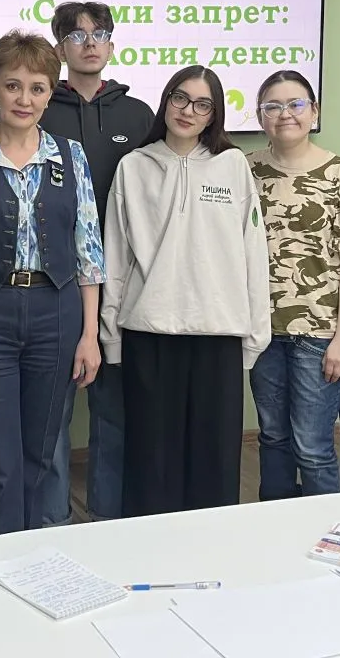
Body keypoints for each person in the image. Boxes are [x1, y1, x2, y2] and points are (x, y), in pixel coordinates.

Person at [0, 30, 105, 540]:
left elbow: (89, 253)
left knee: (42, 450)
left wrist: (89, 335)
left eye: (37, 88)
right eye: (13, 85)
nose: (24, 99)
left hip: (58, 314)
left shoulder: (71, 157)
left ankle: (36, 561)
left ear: (50, 93)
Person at [100, 65, 271, 515]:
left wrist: (255, 336)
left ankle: (210, 548)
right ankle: (151, 547)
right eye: (180, 97)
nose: (188, 110)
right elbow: (115, 256)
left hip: (218, 333)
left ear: (214, 114)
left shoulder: (233, 166)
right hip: (149, 332)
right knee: (150, 462)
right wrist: (110, 337)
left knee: (215, 463)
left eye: (202, 104)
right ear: (166, 100)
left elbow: (253, 255)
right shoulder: (134, 166)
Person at [38, 1, 153, 525]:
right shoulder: (40, 108)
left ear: (112, 43)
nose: (89, 43)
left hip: (125, 282)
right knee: (52, 413)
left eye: (99, 33)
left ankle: (109, 518)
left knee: (114, 410)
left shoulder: (139, 115)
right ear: (59, 47)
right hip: (55, 282)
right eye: (77, 35)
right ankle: (53, 521)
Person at [247, 71, 340, 500]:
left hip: (320, 335)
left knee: (312, 446)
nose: (285, 114)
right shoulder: (245, 170)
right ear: (260, 116)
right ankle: (273, 525)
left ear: (314, 112)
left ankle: (326, 530)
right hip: (261, 331)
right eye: (273, 106)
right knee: (272, 437)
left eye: (296, 104)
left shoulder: (339, 172)